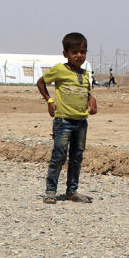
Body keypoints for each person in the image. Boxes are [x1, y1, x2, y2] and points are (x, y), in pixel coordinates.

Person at [37, 32, 98, 204]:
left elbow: (85, 91)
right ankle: (51, 191)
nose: (79, 56)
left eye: (83, 52)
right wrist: (49, 101)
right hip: (63, 121)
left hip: (81, 122)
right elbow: (41, 82)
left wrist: (92, 100)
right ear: (65, 54)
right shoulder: (59, 70)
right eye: (75, 52)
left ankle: (72, 191)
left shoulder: (85, 74)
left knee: (77, 156)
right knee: (59, 156)